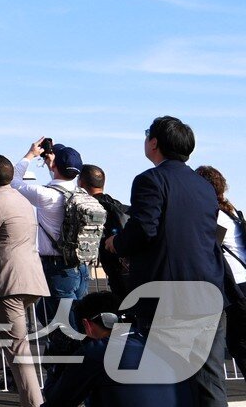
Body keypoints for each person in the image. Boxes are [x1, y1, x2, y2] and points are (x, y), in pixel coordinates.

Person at [104, 116, 229, 407]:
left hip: (169, 298)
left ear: (155, 143)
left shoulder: (150, 180)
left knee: (167, 379)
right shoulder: (204, 187)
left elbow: (144, 229)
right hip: (210, 292)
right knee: (210, 382)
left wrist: (116, 243)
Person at [0, 154, 49, 407]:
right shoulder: (22, 199)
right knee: (18, 344)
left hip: (8, 282)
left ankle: (34, 402)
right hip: (30, 278)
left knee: (18, 349)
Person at [41, 290, 192, 407]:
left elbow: (57, 401)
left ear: (87, 325)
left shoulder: (97, 352)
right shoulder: (155, 340)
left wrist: (56, 364)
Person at [11, 138, 92, 329]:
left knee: (65, 325)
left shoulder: (45, 194)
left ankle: (69, 355)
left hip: (58, 268)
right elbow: (61, 178)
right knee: (76, 318)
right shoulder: (81, 193)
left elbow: (12, 181)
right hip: (80, 265)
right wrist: (53, 163)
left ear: (55, 166)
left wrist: (31, 154)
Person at [195, 166, 246, 376]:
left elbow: (208, 247)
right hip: (243, 280)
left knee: (239, 343)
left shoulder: (214, 215)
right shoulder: (232, 212)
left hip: (237, 287)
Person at [79, 165, 132, 300]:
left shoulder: (88, 207)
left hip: (114, 269)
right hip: (128, 267)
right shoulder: (117, 205)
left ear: (81, 183)